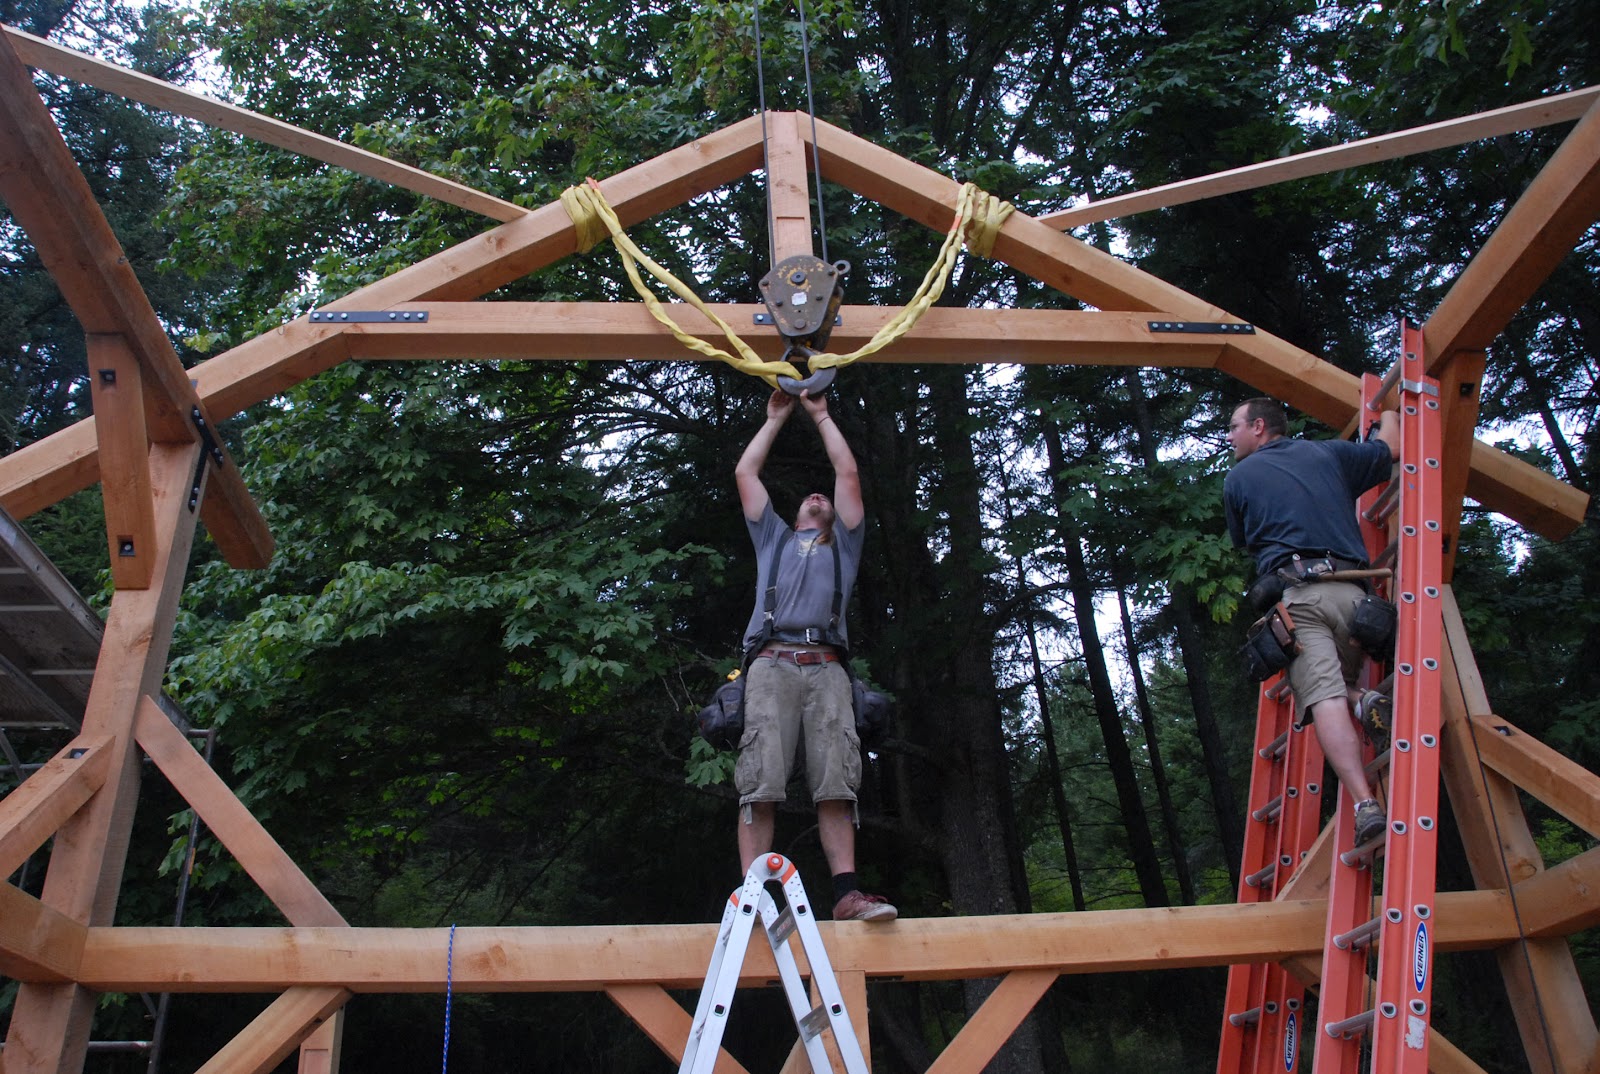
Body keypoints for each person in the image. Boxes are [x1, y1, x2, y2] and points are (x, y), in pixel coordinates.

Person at [732, 388, 896, 922]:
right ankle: (753, 900)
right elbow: (746, 473)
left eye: (823, 497)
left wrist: (821, 414)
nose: (818, 496)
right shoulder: (772, 538)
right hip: (770, 665)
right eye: (810, 496)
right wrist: (775, 418)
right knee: (760, 782)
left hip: (827, 669)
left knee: (836, 783)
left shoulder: (845, 544)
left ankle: (847, 896)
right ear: (798, 511)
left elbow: (846, 473)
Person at [1223, 397, 1400, 848]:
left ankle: (1366, 806)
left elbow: (1244, 539)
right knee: (1342, 687)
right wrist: (1391, 410)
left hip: (1301, 599)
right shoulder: (1330, 454)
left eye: (1234, 427)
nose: (1229, 436)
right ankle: (1363, 701)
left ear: (1258, 427)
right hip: (1358, 600)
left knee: (1324, 698)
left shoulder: (1239, 477)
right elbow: (1391, 448)